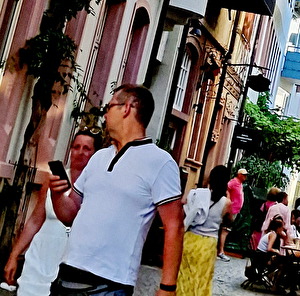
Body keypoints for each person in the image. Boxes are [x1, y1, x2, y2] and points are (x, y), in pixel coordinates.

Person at [48, 83, 184, 296]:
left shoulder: (160, 162)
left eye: (109, 107)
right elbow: (70, 212)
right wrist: (57, 194)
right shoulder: (99, 157)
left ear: (127, 108)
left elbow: (174, 226)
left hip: (110, 284)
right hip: (67, 275)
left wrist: (167, 287)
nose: (105, 115)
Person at [4, 131, 101, 296]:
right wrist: (14, 255)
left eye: (86, 148)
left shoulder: (97, 188)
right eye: (76, 147)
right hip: (39, 257)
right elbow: (35, 221)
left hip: (67, 263)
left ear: (95, 154)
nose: (80, 152)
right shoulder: (53, 180)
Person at [176, 167, 231, 296]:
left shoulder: (198, 194)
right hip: (208, 244)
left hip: (190, 239)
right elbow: (229, 220)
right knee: (202, 278)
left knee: (184, 275)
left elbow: (183, 202)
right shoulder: (226, 203)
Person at [218, 167, 247, 261]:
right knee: (225, 230)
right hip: (231, 209)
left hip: (234, 210)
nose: (245, 177)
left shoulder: (240, 184)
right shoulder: (234, 182)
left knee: (226, 230)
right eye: (244, 175)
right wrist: (228, 198)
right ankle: (221, 251)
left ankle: (220, 250)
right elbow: (227, 187)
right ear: (239, 175)